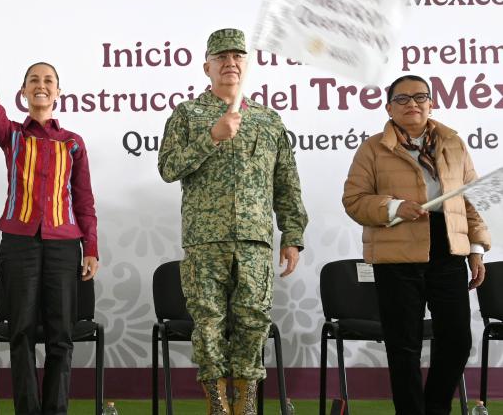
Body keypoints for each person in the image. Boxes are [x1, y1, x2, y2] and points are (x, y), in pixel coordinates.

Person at [157, 29, 307, 415]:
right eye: (221, 57)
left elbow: (286, 183)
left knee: (254, 321)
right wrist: (212, 136)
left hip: (255, 241)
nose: (230, 63)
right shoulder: (188, 114)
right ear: (207, 66)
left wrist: (292, 235)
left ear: (247, 65)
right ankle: (218, 402)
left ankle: (247, 399)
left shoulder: (268, 120)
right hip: (206, 241)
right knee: (208, 322)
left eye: (237, 56)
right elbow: (168, 168)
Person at [0, 15, 99, 415]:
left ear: (59, 92)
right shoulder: (11, 134)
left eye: (48, 80)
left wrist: (91, 248)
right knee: (20, 332)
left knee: (62, 336)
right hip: (19, 244)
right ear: (23, 93)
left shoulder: (73, 143)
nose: (41, 85)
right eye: (33, 80)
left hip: (65, 246)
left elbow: (84, 201)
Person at [342, 74, 490, 415]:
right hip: (396, 255)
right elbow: (354, 200)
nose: (413, 104)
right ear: (389, 107)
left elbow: (472, 200)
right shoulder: (373, 148)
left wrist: (477, 249)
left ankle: (434, 409)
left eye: (420, 97)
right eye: (403, 99)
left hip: (448, 249)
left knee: (456, 341)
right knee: (403, 346)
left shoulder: (452, 143)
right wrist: (393, 207)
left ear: (431, 103)